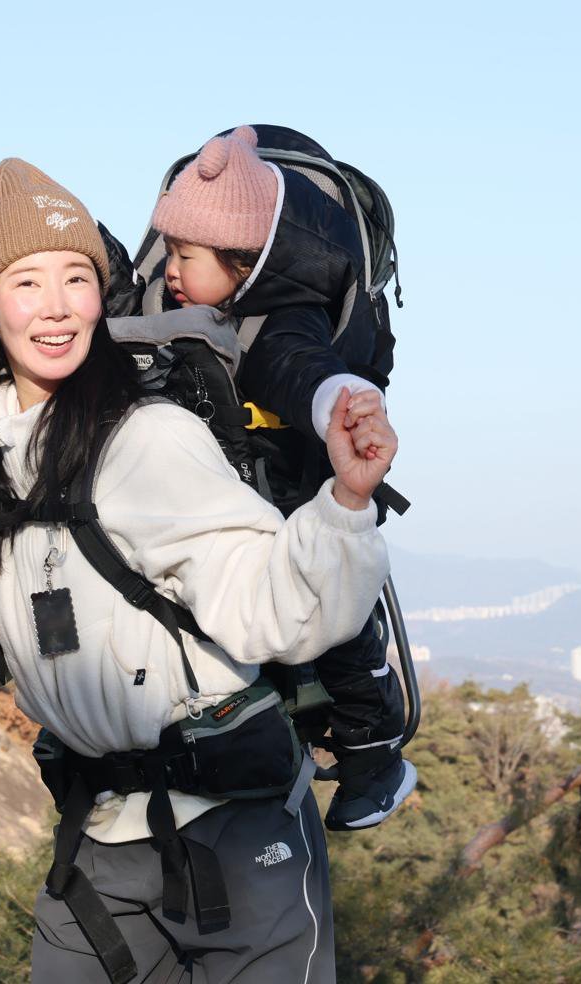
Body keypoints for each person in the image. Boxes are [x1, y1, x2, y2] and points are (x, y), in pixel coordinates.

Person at [0, 158, 395, 982]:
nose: (58, 306)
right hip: (96, 845)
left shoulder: (148, 438)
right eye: (27, 283)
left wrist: (346, 502)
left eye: (77, 278)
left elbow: (273, 607)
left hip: (233, 834)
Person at [150, 125, 416, 830]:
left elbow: (305, 373)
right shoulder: (189, 315)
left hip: (296, 494)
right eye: (167, 252)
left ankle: (375, 756)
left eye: (185, 256)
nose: (170, 270)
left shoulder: (278, 320)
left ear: (245, 262)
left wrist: (342, 404)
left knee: (341, 626)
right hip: (232, 498)